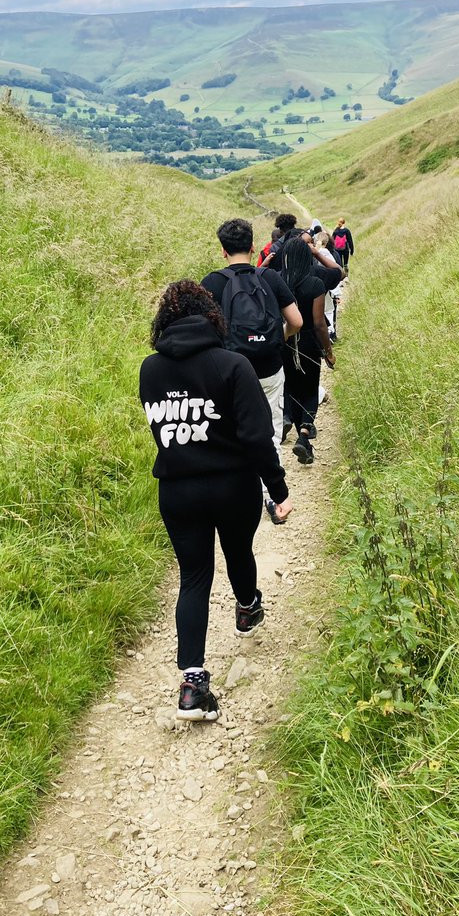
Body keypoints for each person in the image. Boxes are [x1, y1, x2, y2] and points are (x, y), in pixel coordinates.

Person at [140, 280, 293, 722]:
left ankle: (191, 684)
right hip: (232, 486)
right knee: (238, 550)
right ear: (213, 316)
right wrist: (278, 491)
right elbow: (257, 438)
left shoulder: (150, 370)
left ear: (164, 322)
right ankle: (247, 609)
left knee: (193, 577)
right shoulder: (233, 365)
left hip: (177, 490)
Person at [200, 218, 302, 522]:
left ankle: (237, 494)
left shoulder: (212, 283)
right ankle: (274, 499)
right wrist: (274, 339)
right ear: (253, 246)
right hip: (270, 367)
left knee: (230, 430)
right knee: (269, 430)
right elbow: (296, 322)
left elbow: (205, 332)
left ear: (222, 250)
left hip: (229, 371)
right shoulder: (269, 277)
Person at [280, 237, 334, 465]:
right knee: (310, 388)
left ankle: (287, 418)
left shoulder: (278, 282)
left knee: (289, 385)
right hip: (309, 344)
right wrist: (328, 350)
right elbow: (319, 322)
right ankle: (303, 434)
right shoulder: (315, 284)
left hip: (284, 341)